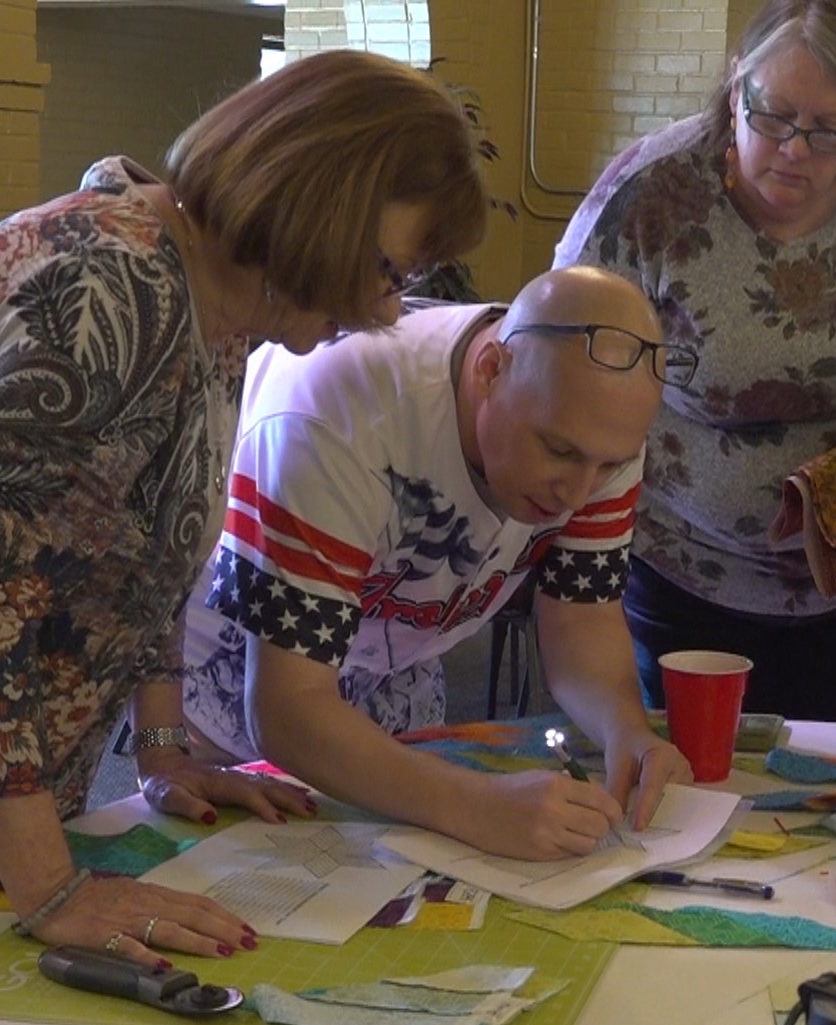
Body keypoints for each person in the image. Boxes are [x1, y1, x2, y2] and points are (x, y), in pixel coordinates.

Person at [0, 49, 491, 982]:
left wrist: (166, 749)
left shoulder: (211, 292)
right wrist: (55, 892)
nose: (384, 312)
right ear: (322, 203)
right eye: (388, 271)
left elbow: (133, 557)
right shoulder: (119, 288)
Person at [552, 0, 836, 720]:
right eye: (772, 116)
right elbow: (561, 356)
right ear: (736, 90)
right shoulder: (653, 191)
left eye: (828, 131)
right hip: (685, 566)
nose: (794, 149)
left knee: (835, 784)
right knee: (692, 786)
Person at [166, 268, 695, 860]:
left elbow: (580, 617)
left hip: (395, 686)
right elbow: (287, 710)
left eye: (608, 466)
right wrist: (479, 806)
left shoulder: (596, 420)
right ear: (491, 369)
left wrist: (626, 730)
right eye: (559, 452)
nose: (578, 492)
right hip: (225, 710)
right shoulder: (340, 412)